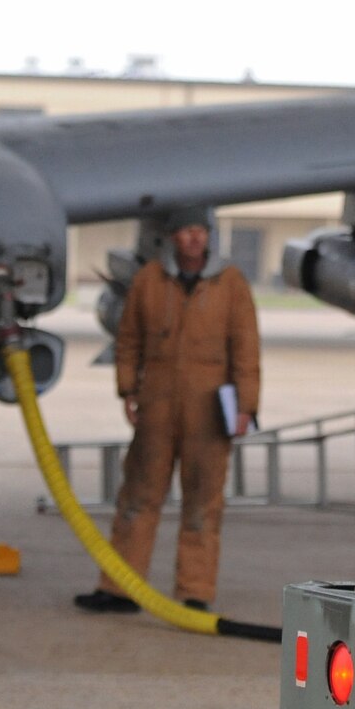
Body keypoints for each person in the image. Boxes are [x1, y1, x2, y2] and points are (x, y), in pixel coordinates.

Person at [75, 207, 260, 615]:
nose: (194, 239)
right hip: (157, 404)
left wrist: (245, 405)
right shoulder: (149, 281)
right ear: (172, 237)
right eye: (186, 231)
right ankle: (118, 588)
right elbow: (129, 340)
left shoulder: (230, 284)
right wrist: (127, 388)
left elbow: (246, 348)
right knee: (137, 498)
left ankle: (194, 592)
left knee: (203, 503)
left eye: (200, 231)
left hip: (210, 408)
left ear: (208, 236)